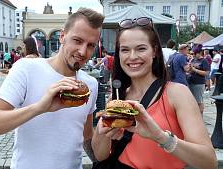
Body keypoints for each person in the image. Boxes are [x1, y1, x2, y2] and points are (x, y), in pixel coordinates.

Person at [0, 8, 104, 169]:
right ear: (63, 36)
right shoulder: (27, 68)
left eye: (91, 45)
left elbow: (86, 136)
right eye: (77, 41)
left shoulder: (90, 84)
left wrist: (101, 159)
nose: (83, 51)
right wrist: (40, 108)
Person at [91, 17, 216, 169]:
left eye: (141, 48)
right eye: (125, 50)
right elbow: (100, 155)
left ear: (155, 51)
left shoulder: (177, 93)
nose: (132, 56)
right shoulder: (117, 97)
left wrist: (160, 137)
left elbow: (209, 162)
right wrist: (102, 133)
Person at [187, 45, 210, 114]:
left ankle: (200, 118)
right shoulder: (193, 60)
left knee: (199, 102)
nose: (193, 55)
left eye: (194, 53)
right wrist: (189, 69)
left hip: (199, 84)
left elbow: (206, 73)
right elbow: (190, 71)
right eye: (192, 53)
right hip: (191, 82)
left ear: (199, 53)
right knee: (192, 101)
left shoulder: (204, 61)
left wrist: (194, 70)